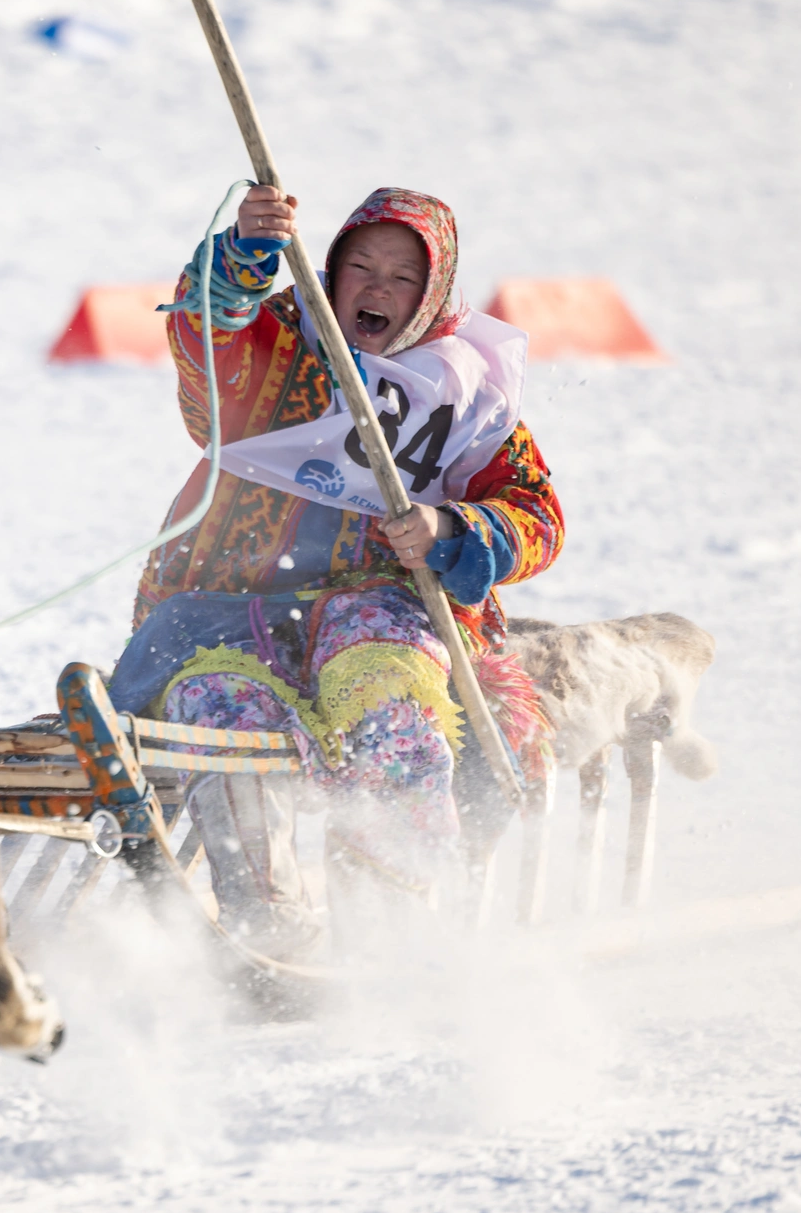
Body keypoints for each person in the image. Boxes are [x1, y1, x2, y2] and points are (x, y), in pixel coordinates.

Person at [112, 184, 562, 935]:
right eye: (360, 266)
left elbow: (537, 516)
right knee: (216, 718)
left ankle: (389, 918)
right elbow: (205, 339)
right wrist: (244, 255)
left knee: (394, 713)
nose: (376, 289)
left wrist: (452, 528)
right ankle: (269, 919)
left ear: (434, 291)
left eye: (401, 276)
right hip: (227, 608)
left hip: (382, 611)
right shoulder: (286, 338)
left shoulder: (468, 385)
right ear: (330, 269)